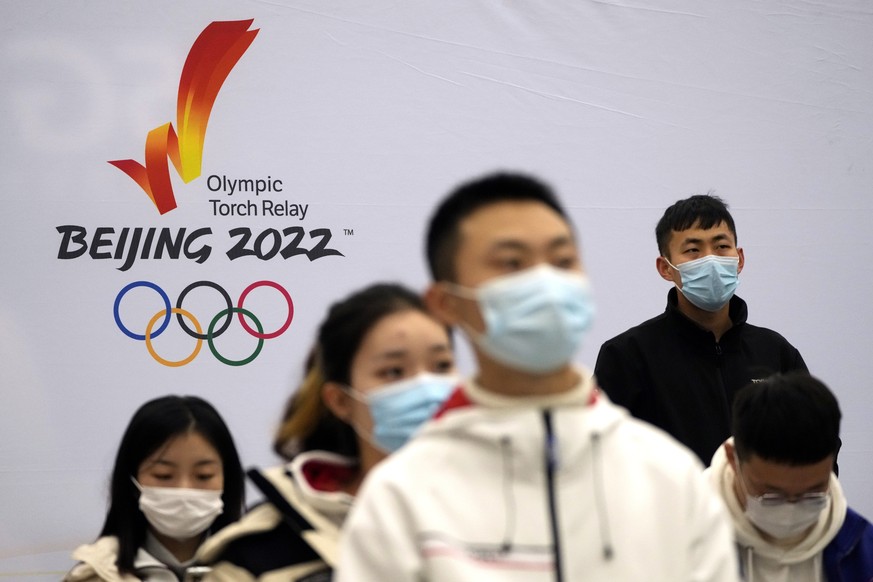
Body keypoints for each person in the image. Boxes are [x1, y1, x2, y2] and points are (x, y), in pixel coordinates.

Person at [336, 172, 739, 581]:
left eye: (563, 261)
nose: (546, 283)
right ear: (446, 303)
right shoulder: (403, 497)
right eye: (512, 263)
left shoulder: (667, 476)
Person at [197, 283, 459, 580]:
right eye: (394, 371)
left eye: (442, 365)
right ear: (341, 400)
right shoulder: (260, 549)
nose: (426, 387)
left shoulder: (504, 503)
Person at [594, 193, 808, 465]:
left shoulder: (776, 352)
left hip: (765, 507)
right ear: (665, 268)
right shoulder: (627, 356)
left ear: (739, 259)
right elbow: (600, 458)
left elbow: (816, 441)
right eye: (693, 250)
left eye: (721, 247)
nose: (710, 259)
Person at [705, 372, 873, 581]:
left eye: (813, 493)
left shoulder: (859, 548)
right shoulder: (680, 533)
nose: (790, 512)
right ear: (733, 459)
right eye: (771, 494)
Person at [65, 395, 245, 582]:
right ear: (132, 481)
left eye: (203, 476)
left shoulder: (261, 571)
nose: (183, 490)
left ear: (228, 479)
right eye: (163, 475)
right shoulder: (95, 574)